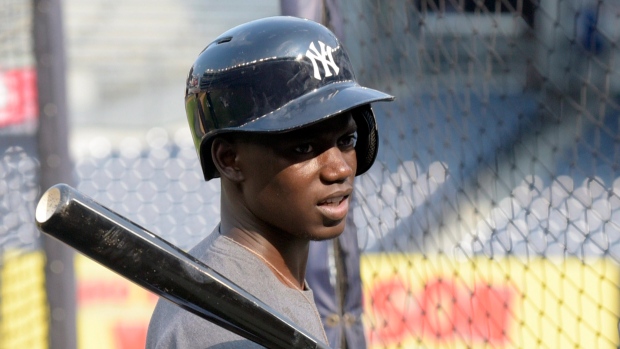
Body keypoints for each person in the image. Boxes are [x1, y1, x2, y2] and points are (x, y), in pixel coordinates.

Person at [146, 16, 393, 348]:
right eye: (303, 147)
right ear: (229, 159)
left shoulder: (243, 284)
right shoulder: (226, 329)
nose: (338, 169)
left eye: (347, 141)